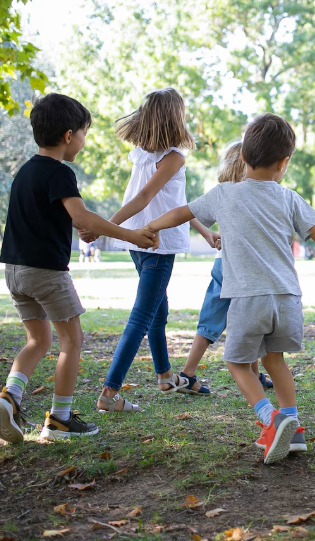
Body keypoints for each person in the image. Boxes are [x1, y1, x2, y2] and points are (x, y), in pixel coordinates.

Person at [141, 113, 315, 464]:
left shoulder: (223, 194)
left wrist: (152, 226)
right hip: (288, 299)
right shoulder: (289, 197)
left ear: (243, 158)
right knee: (274, 361)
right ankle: (294, 429)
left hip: (248, 299)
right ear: (284, 163)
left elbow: (183, 213)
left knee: (236, 362)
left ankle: (271, 418)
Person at [0, 93, 156, 444]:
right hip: (46, 272)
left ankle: (10, 397)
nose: (84, 140)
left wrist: (84, 227)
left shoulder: (25, 172)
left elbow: (60, 218)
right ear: (68, 136)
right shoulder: (60, 173)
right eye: (83, 133)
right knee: (71, 342)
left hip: (15, 272)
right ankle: (60, 418)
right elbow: (81, 216)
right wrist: (132, 235)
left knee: (37, 340)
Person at [79, 88, 220, 414]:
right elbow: (143, 198)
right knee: (143, 316)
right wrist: (102, 226)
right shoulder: (172, 157)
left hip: (138, 242)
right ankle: (109, 393)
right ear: (176, 117)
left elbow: (176, 203)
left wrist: (204, 230)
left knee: (159, 309)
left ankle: (165, 376)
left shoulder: (143, 153)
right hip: (156, 243)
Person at [177, 141, 275, 398]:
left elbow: (188, 212)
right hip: (243, 267)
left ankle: (188, 373)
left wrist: (209, 233)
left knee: (212, 319)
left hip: (222, 263)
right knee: (250, 318)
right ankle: (250, 373)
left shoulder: (222, 191)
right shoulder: (255, 191)